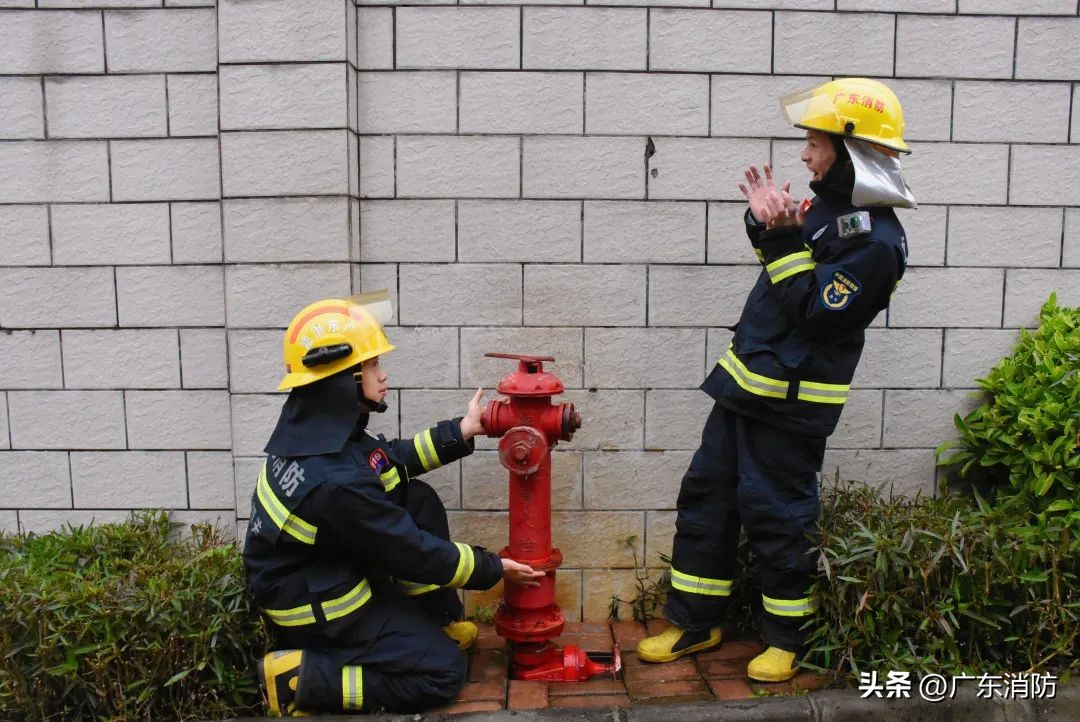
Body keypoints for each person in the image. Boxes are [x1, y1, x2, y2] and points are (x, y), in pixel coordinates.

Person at [636, 78, 915, 682]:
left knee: (780, 521)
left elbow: (816, 315)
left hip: (789, 411)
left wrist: (784, 237)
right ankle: (694, 621)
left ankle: (786, 638)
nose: (805, 153)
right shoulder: (824, 210)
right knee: (707, 504)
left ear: (852, 150)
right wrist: (765, 222)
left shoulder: (878, 241)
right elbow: (782, 263)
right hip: (743, 392)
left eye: (815, 142)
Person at [243, 293, 543, 716]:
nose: (383, 376)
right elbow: (411, 552)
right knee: (442, 673)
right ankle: (302, 678)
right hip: (320, 604)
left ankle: (433, 623)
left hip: (316, 570)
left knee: (414, 497)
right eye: (373, 366)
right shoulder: (336, 481)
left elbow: (387, 463)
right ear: (343, 379)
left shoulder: (318, 434)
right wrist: (493, 568)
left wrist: (463, 429)